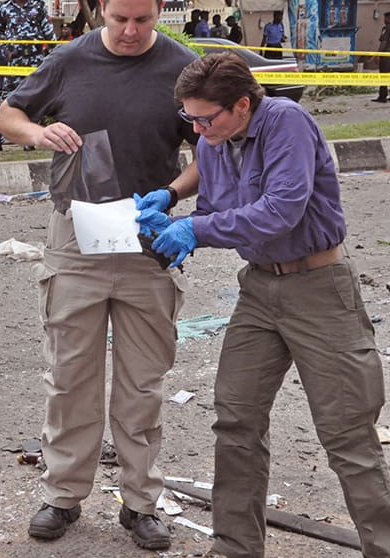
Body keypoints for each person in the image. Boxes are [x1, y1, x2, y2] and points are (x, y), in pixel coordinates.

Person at [139, 52, 390, 558]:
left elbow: (281, 210)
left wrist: (196, 228)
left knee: (347, 433)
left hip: (319, 287)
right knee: (237, 419)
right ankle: (234, 547)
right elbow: (214, 209)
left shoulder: (286, 123)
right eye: (190, 118)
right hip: (258, 290)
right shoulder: (213, 140)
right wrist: (171, 217)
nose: (198, 128)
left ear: (243, 105)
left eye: (206, 118)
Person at [0, 0, 200, 551]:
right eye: (119, 19)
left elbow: (213, 150)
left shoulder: (185, 69)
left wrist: (171, 194)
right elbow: (9, 112)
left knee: (143, 383)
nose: (131, 31)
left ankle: (141, 504)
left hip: (147, 241)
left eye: (142, 19)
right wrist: (36, 132)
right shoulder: (70, 59)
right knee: (70, 376)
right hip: (75, 239)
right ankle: (63, 495)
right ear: (101, 7)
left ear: (162, 8)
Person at [0, 0, 55, 153]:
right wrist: (6, 51)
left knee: (34, 98)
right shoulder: (5, 8)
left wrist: (53, 55)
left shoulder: (39, 6)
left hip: (35, 58)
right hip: (14, 60)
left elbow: (48, 33)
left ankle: (29, 138)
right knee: (6, 98)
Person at [373, 11, 389, 103]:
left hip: (386, 56)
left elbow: (383, 42)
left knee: (383, 75)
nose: (384, 20)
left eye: (385, 18)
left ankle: (382, 96)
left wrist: (378, 55)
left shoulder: (386, 28)